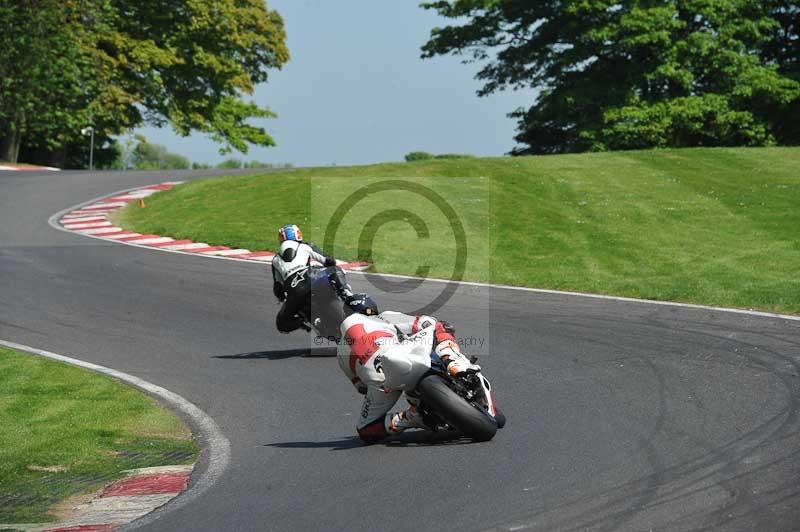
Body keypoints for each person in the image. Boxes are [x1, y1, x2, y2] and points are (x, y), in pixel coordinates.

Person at [337, 306, 480, 442]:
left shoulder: (340, 353)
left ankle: (410, 417)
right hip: (401, 352)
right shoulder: (383, 317)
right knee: (440, 326)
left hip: (382, 381)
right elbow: (424, 322)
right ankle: (454, 361)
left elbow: (361, 387)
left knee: (365, 430)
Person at [271, 224, 354, 333]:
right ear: (297, 236)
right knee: (335, 269)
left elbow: (278, 288)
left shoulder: (275, 260)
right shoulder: (305, 246)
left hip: (294, 291)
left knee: (281, 323)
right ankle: (345, 292)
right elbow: (329, 261)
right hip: (312, 277)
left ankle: (305, 321)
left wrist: (282, 298)